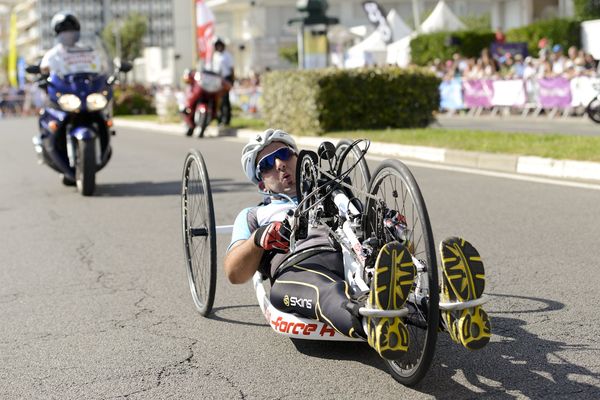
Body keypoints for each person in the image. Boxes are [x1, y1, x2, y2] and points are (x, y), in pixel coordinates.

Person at [224, 129, 492, 360]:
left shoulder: (339, 193)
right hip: (301, 266)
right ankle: (373, 324)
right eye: (268, 164)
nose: (280, 164)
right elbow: (235, 273)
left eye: (284, 154)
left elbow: (403, 245)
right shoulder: (253, 215)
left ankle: (451, 313)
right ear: (261, 182)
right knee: (324, 291)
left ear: (298, 157)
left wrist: (395, 228)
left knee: (393, 274)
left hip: (356, 254)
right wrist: (258, 239)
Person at [40, 11, 104, 77]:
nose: (69, 34)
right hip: (62, 86)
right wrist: (45, 69)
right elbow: (44, 68)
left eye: (72, 29)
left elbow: (99, 67)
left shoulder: (86, 51)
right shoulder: (52, 54)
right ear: (57, 32)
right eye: (64, 30)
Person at [210, 38, 234, 126]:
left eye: (220, 45)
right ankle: (218, 119)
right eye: (217, 46)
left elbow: (231, 69)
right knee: (217, 100)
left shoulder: (227, 55)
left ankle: (226, 119)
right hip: (217, 79)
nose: (219, 47)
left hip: (225, 79)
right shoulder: (215, 56)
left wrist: (232, 80)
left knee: (225, 100)